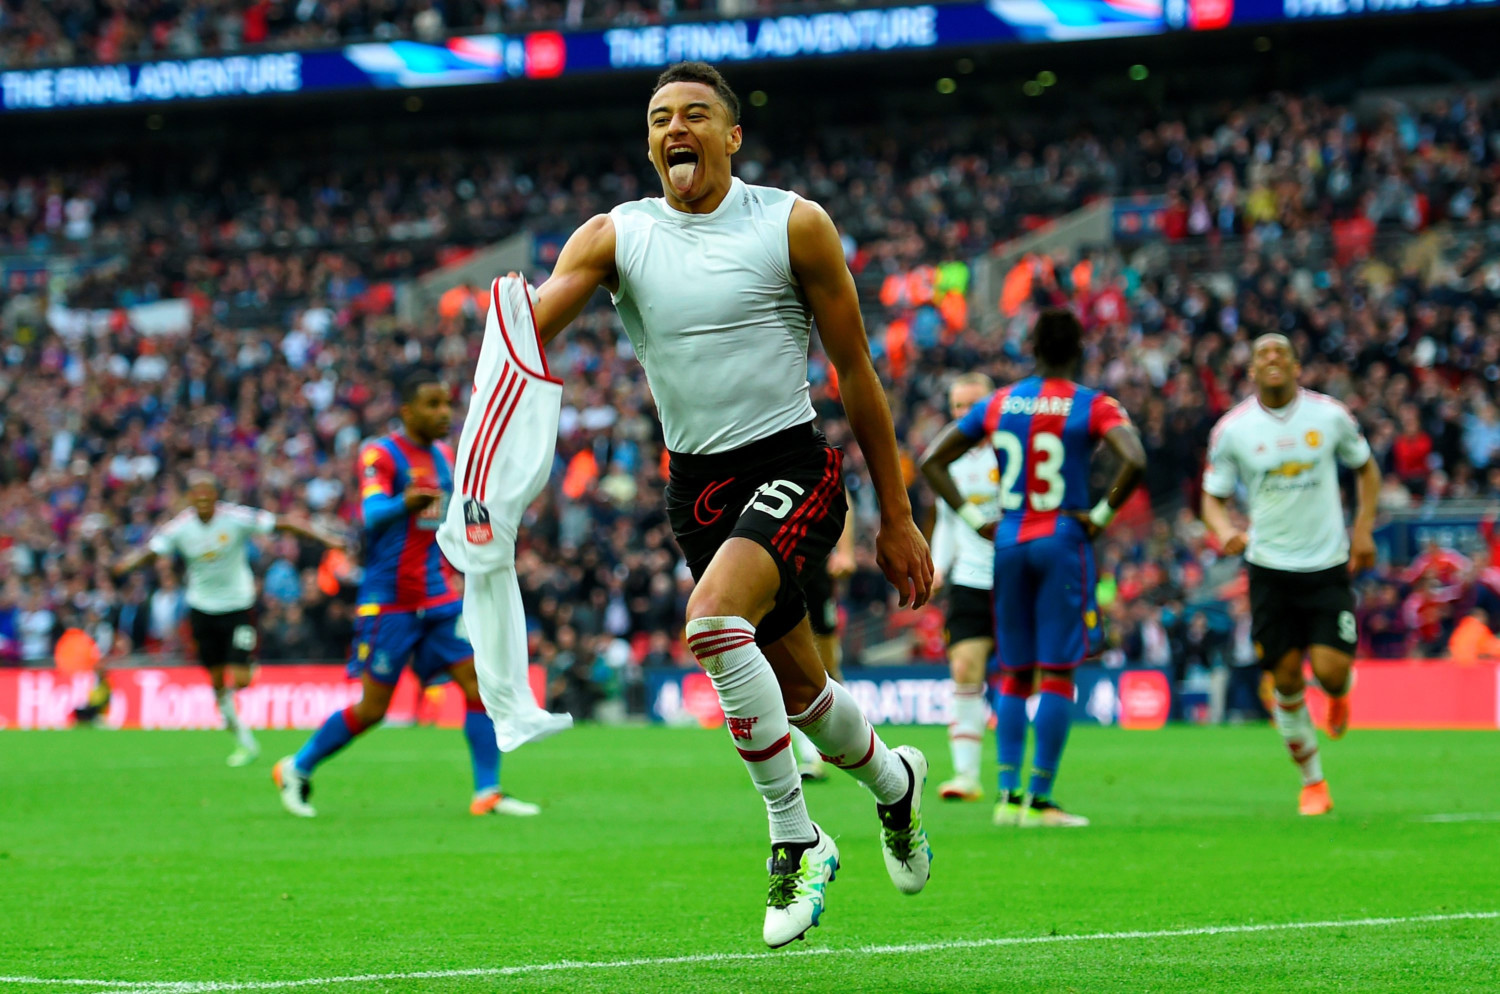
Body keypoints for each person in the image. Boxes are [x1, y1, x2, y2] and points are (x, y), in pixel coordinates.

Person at [522, 61, 934, 948]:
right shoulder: (616, 235)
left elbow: (856, 371)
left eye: (695, 114)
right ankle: (897, 785)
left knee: (711, 622)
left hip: (792, 464)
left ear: (732, 135)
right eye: (659, 117)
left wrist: (897, 517)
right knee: (804, 694)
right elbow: (532, 330)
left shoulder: (793, 223)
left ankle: (798, 839)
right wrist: (499, 344)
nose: (675, 128)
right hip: (696, 493)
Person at [273, 371, 540, 819]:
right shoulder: (381, 453)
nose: (443, 413)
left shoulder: (444, 456)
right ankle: (296, 767)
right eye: (432, 405)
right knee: (373, 708)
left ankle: (487, 792)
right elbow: (372, 511)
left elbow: (451, 518)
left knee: (478, 686)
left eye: (446, 404)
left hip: (437, 597)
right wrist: (405, 503)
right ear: (407, 411)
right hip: (390, 602)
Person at [921, 309, 1145, 829]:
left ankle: (1006, 796)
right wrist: (1101, 515)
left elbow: (933, 459)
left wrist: (975, 519)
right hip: (1060, 538)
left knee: (1015, 672)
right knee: (1057, 672)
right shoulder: (1092, 404)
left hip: (1009, 539)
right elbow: (1134, 459)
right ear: (1079, 350)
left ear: (1033, 350)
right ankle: (1040, 800)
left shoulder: (1000, 402)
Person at [1201, 333, 1379, 817]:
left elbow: (1366, 469)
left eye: (1281, 351)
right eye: (1262, 354)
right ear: (1252, 371)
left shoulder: (1330, 416)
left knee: (1331, 672)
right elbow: (1212, 497)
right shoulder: (1233, 430)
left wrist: (1363, 530)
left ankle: (1338, 694)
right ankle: (1313, 783)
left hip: (1326, 565)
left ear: (1298, 366)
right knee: (1284, 680)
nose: (1272, 358)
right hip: (1269, 569)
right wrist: (1224, 530)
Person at [115, 470, 343, 766]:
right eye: (197, 494)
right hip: (202, 609)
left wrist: (327, 538)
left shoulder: (235, 518)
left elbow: (283, 523)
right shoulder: (180, 527)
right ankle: (244, 741)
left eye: (207, 494)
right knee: (217, 683)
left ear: (216, 496)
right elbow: (153, 550)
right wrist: (127, 564)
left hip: (237, 606)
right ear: (190, 498)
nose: (203, 499)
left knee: (241, 678)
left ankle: (247, 669)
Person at [924, 372, 1000, 802]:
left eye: (974, 404)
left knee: (1024, 677)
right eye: (957, 405)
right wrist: (938, 567)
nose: (964, 413)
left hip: (1015, 576)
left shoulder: (1013, 450)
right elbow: (948, 523)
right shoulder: (947, 458)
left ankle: (1021, 776)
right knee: (964, 670)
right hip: (970, 579)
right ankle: (966, 776)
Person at [791, 503, 853, 782]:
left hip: (814, 561)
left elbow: (841, 494)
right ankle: (811, 756)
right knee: (787, 662)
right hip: (773, 561)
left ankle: (850, 735)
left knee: (827, 665)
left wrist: (846, 551)